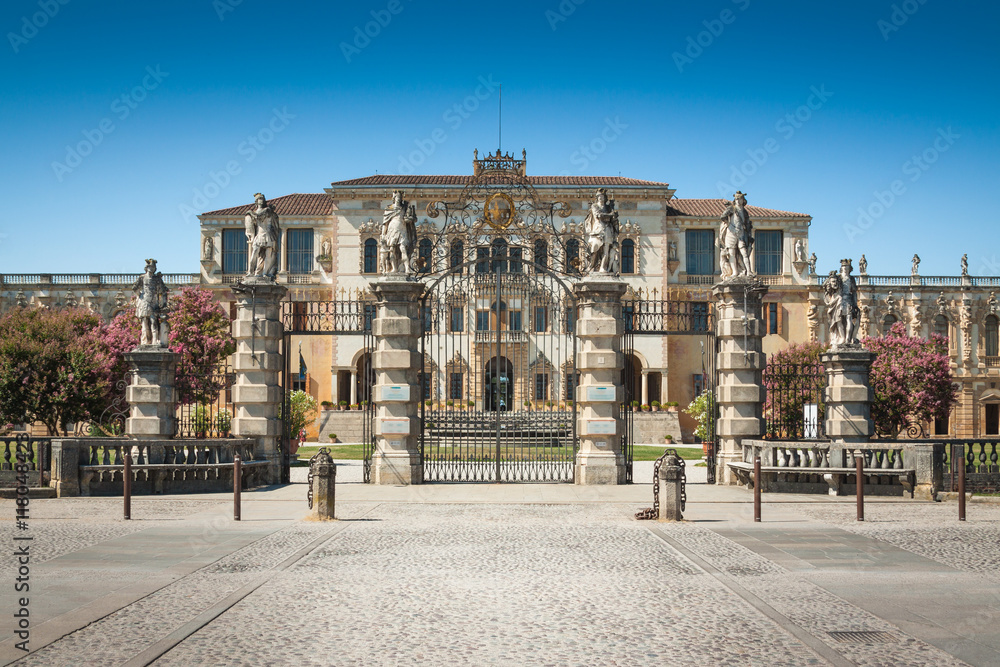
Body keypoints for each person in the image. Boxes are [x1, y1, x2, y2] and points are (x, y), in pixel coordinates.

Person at [245, 193, 281, 279]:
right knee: (255, 254)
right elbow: (252, 224)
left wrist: (250, 212)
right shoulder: (256, 213)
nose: (261, 201)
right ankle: (251, 271)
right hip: (259, 235)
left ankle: (266, 272)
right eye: (259, 199)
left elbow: (259, 217)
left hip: (268, 235)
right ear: (256, 202)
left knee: (269, 255)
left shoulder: (267, 211)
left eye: (262, 199)